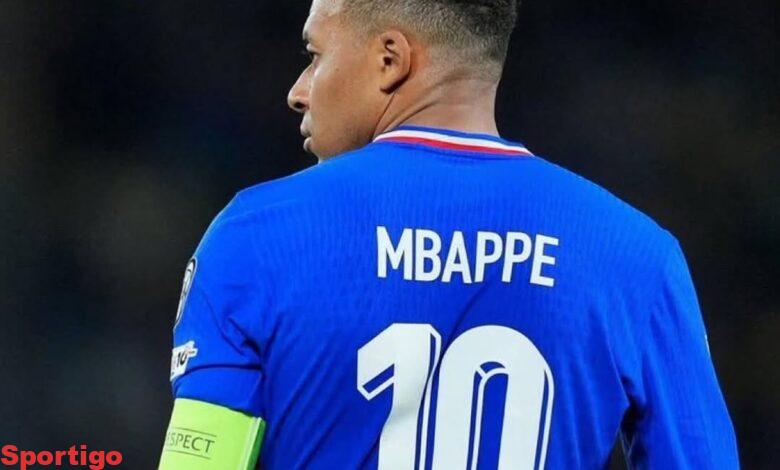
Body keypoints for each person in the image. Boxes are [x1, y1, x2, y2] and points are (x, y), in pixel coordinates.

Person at [158, 0, 739, 468]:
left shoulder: (256, 236)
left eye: (314, 55)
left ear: (390, 59)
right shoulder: (637, 257)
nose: (298, 89)